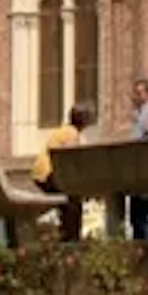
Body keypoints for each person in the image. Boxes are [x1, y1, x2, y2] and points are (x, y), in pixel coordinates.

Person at [32, 102, 94, 241]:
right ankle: (72, 239)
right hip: (48, 173)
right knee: (73, 202)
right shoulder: (71, 133)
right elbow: (68, 158)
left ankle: (67, 235)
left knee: (69, 202)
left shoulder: (65, 130)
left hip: (41, 173)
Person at [126, 76, 148, 240]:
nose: (135, 97)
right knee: (138, 215)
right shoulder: (140, 113)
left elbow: (147, 136)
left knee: (147, 213)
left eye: (139, 93)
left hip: (146, 168)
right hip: (137, 168)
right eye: (135, 93)